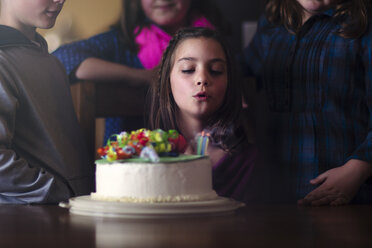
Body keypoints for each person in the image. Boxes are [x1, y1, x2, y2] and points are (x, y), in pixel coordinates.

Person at [243, 0, 372, 205]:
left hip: (350, 196)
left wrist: (358, 169)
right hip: (275, 196)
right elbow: (241, 71)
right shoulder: (272, 23)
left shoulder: (363, 25)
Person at [53, 0, 228, 143]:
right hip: (131, 166)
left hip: (204, 161)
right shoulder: (120, 42)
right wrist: (138, 77)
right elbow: (63, 57)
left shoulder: (215, 42)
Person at [148, 27, 258, 203]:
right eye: (188, 69)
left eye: (215, 70)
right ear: (167, 81)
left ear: (230, 83)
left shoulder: (250, 162)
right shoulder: (147, 156)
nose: (202, 79)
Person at [0, 0, 94, 204]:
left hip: (70, 210)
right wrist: (58, 191)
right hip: (27, 220)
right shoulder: (2, 59)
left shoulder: (51, 61)